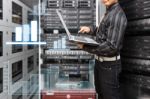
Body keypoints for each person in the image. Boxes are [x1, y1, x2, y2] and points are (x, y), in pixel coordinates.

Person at [77, 0, 127, 99]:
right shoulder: (110, 11)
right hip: (100, 63)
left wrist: (85, 47)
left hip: (109, 66)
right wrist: (90, 30)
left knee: (110, 96)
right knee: (101, 94)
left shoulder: (117, 15)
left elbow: (111, 47)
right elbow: (104, 31)